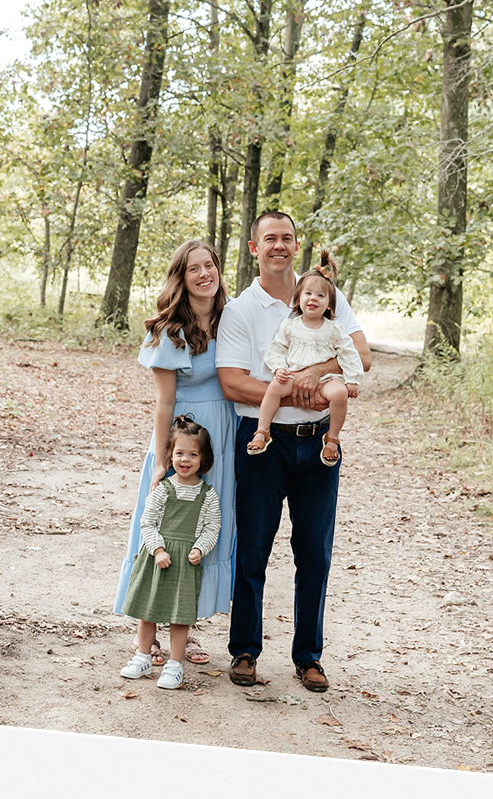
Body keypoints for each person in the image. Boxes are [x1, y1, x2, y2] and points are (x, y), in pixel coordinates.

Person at [216, 213, 372, 693]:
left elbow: (360, 357)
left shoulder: (324, 294)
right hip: (264, 445)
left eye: (286, 238)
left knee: (315, 553)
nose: (279, 246)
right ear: (253, 248)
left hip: (319, 441)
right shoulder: (241, 309)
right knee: (253, 551)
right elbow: (232, 381)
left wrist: (312, 373)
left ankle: (309, 657)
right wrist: (291, 391)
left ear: (297, 244)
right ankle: (244, 650)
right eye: (270, 239)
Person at [113, 239, 237, 665]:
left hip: (222, 435)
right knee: (166, 526)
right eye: (193, 269)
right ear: (181, 278)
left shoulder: (230, 317)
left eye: (210, 266)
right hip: (184, 436)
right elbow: (164, 402)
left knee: (203, 529)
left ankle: (187, 627)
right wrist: (163, 461)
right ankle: (146, 632)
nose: (205, 275)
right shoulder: (171, 330)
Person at [118, 418, 221, 690]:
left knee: (180, 616)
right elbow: (147, 521)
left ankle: (175, 665)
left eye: (192, 454)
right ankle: (142, 657)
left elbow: (213, 526)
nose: (185, 460)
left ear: (203, 457)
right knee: (147, 611)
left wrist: (200, 547)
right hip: (158, 560)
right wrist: (158, 549)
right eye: (179, 454)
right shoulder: (163, 488)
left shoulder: (207, 494)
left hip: (186, 563)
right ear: (170, 455)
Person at [246, 254, 363, 466]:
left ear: (329, 305)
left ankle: (332, 438)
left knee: (339, 393)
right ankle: (263, 430)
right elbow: (276, 348)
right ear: (298, 299)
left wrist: (352, 379)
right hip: (293, 374)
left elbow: (349, 353)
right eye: (308, 293)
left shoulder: (334, 328)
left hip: (327, 380)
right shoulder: (290, 326)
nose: (313, 298)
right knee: (273, 388)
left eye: (320, 295)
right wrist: (278, 368)